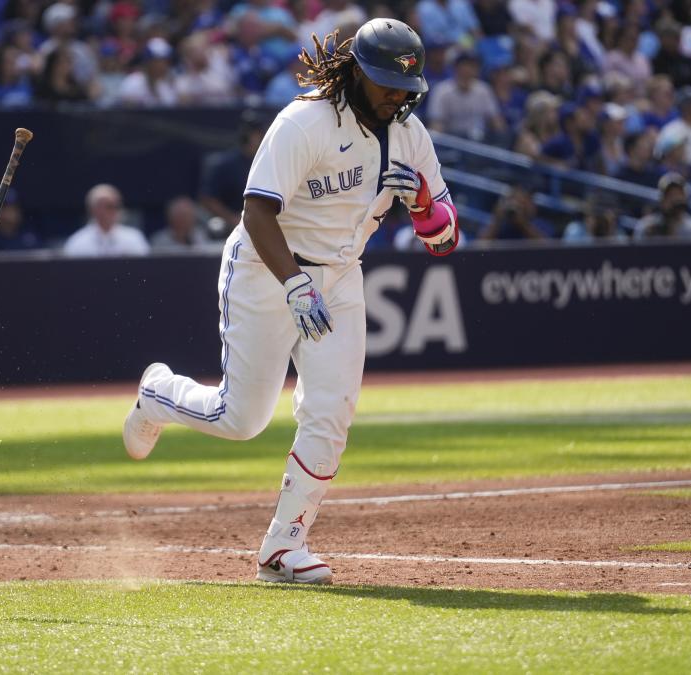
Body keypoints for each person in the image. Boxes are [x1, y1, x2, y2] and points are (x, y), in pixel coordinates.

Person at [121, 20, 459, 585]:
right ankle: (157, 393)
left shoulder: (411, 136)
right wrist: (294, 285)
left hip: (342, 277)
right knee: (242, 419)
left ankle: (283, 547)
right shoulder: (304, 121)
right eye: (383, 84)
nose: (395, 97)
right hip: (266, 268)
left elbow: (445, 240)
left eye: (405, 89)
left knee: (332, 411)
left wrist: (425, 208)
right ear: (355, 72)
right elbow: (257, 212)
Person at [199, 110, 267, 235]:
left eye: (261, 133)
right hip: (232, 228)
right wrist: (232, 219)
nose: (260, 137)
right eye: (256, 133)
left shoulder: (268, 163)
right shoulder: (226, 164)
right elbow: (207, 199)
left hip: (264, 224)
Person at [425, 51, 505, 141]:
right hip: (453, 141)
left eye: (472, 66)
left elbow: (495, 120)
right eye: (465, 65)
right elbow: (436, 123)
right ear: (456, 67)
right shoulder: (442, 90)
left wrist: (502, 137)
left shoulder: (484, 90)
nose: (468, 69)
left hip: (480, 140)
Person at [62, 184, 149, 257]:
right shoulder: (77, 242)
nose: (114, 210)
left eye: (117, 206)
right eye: (109, 206)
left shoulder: (134, 238)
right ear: (93, 209)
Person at [634, 173, 691, 240]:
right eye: (670, 195)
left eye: (678, 195)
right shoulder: (646, 225)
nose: (674, 200)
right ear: (662, 200)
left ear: (685, 198)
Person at [479, 184, 552, 240]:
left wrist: (523, 224)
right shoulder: (499, 226)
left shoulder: (540, 224)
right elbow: (480, 250)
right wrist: (497, 220)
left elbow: (547, 248)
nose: (516, 207)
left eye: (521, 203)